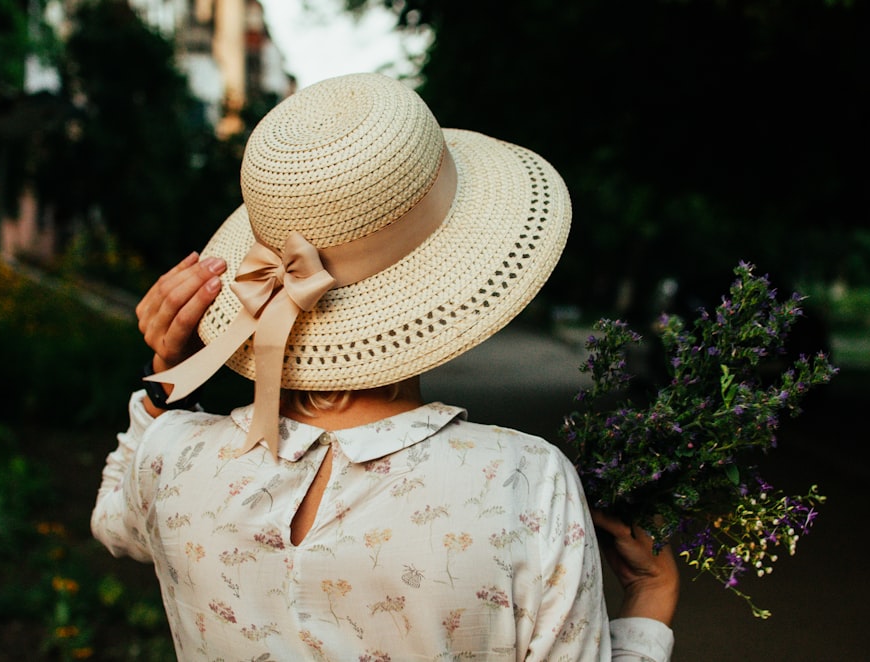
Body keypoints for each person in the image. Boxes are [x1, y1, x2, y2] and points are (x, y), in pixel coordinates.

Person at [92, 72, 678, 661]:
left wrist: (169, 374)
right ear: (453, 273)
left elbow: (112, 518)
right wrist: (651, 603)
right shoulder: (527, 484)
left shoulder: (171, 456)